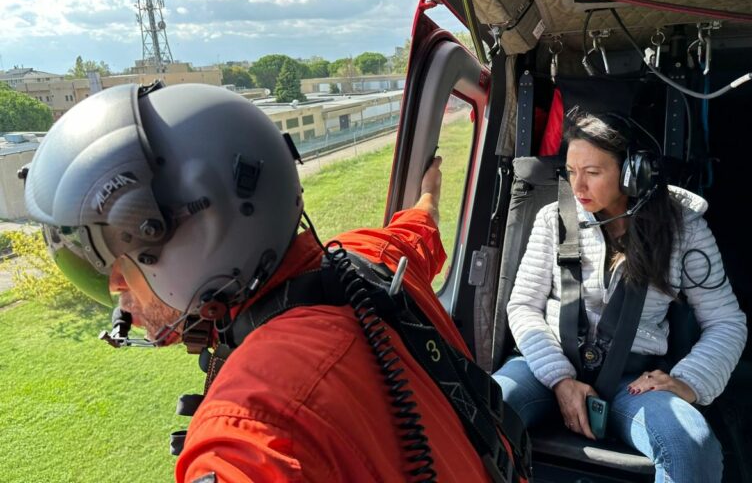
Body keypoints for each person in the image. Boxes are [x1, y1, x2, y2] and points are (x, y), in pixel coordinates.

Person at [24, 82, 520, 483]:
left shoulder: (253, 424)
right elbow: (420, 228)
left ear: (198, 244)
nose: (118, 297)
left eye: (120, 273)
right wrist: (429, 192)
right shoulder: (368, 255)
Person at [493, 109, 747, 483]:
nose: (577, 187)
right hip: (547, 365)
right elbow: (524, 305)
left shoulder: (685, 230)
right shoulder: (554, 218)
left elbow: (726, 321)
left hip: (633, 381)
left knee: (689, 444)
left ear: (633, 174)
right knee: (480, 406)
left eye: (593, 173)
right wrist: (560, 379)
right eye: (571, 170)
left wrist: (689, 381)